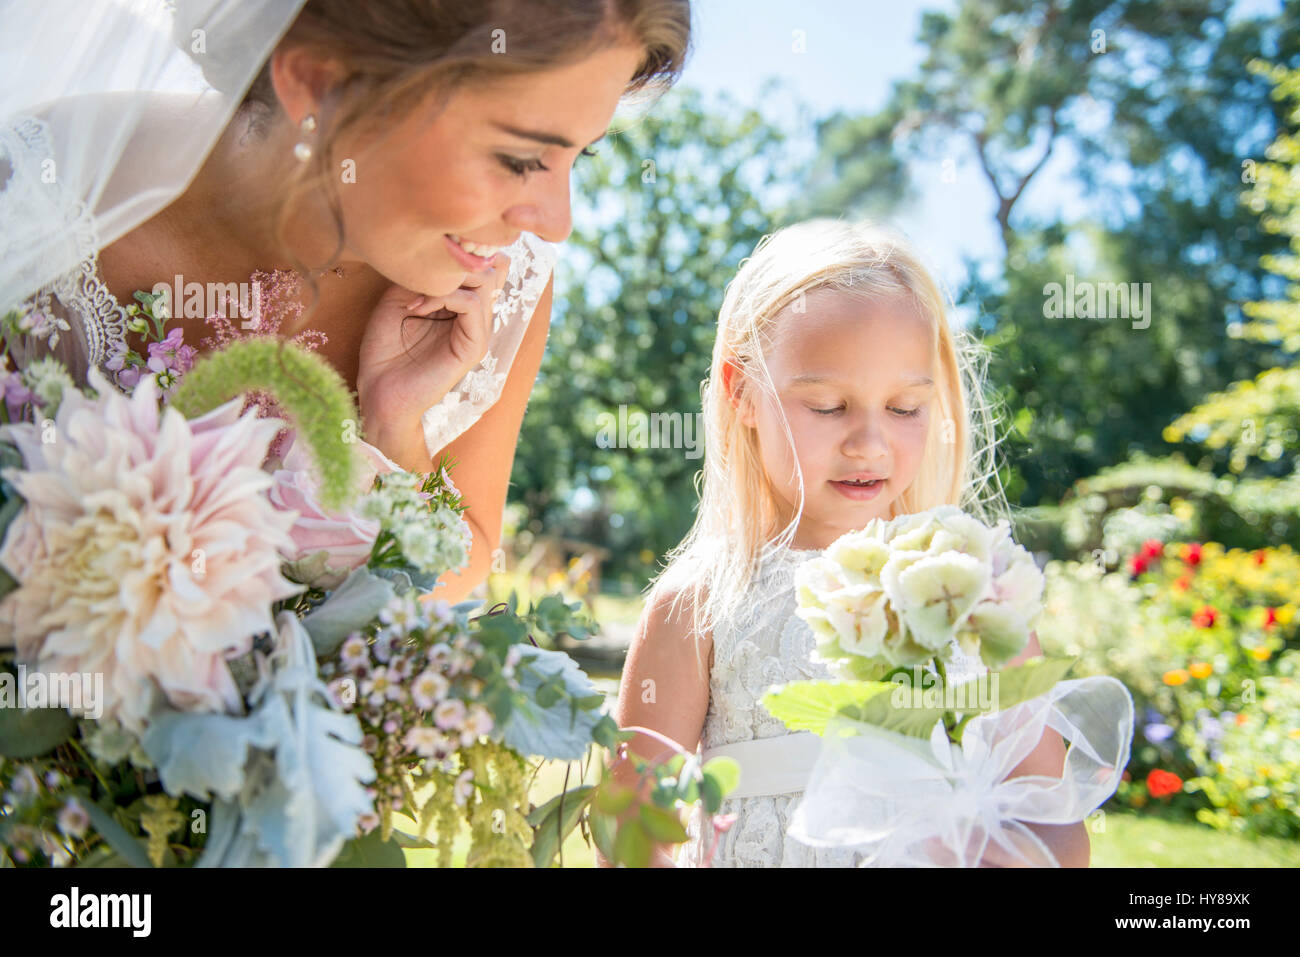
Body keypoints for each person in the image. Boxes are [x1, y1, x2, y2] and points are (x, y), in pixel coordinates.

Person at [0, 0, 692, 604]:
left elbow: (462, 564)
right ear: (319, 83)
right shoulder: (32, 199)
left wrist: (395, 429)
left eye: (582, 157)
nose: (556, 220)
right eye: (519, 158)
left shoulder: (503, 286)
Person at [612, 219, 1091, 867]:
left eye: (903, 408)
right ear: (742, 392)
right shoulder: (699, 601)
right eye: (829, 405)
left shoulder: (974, 590)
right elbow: (631, 831)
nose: (868, 443)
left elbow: (1053, 815)